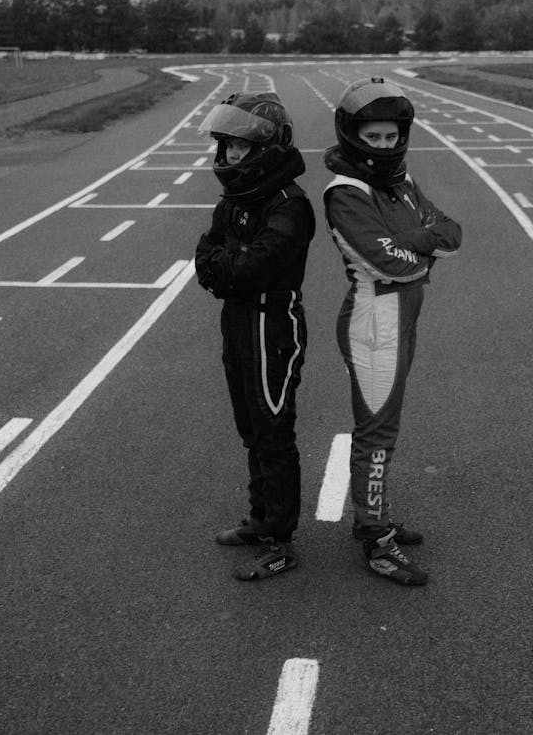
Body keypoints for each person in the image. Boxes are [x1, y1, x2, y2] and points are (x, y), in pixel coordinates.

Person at [322, 78, 462, 586]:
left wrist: (412, 244)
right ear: (353, 134)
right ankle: (374, 539)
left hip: (403, 315)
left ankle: (375, 517)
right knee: (376, 433)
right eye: (373, 137)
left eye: (390, 136)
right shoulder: (345, 192)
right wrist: (416, 247)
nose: (383, 145)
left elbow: (451, 233)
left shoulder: (401, 182)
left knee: (388, 428)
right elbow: (393, 264)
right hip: (373, 320)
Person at [195, 92, 316, 581]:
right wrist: (224, 268)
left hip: (273, 322)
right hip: (238, 319)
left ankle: (279, 537)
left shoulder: (291, 205)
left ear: (265, 149)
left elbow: (251, 266)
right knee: (250, 425)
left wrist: (224, 267)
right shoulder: (236, 200)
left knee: (272, 427)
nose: (229, 156)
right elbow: (207, 254)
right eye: (226, 147)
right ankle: (260, 516)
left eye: (240, 148)